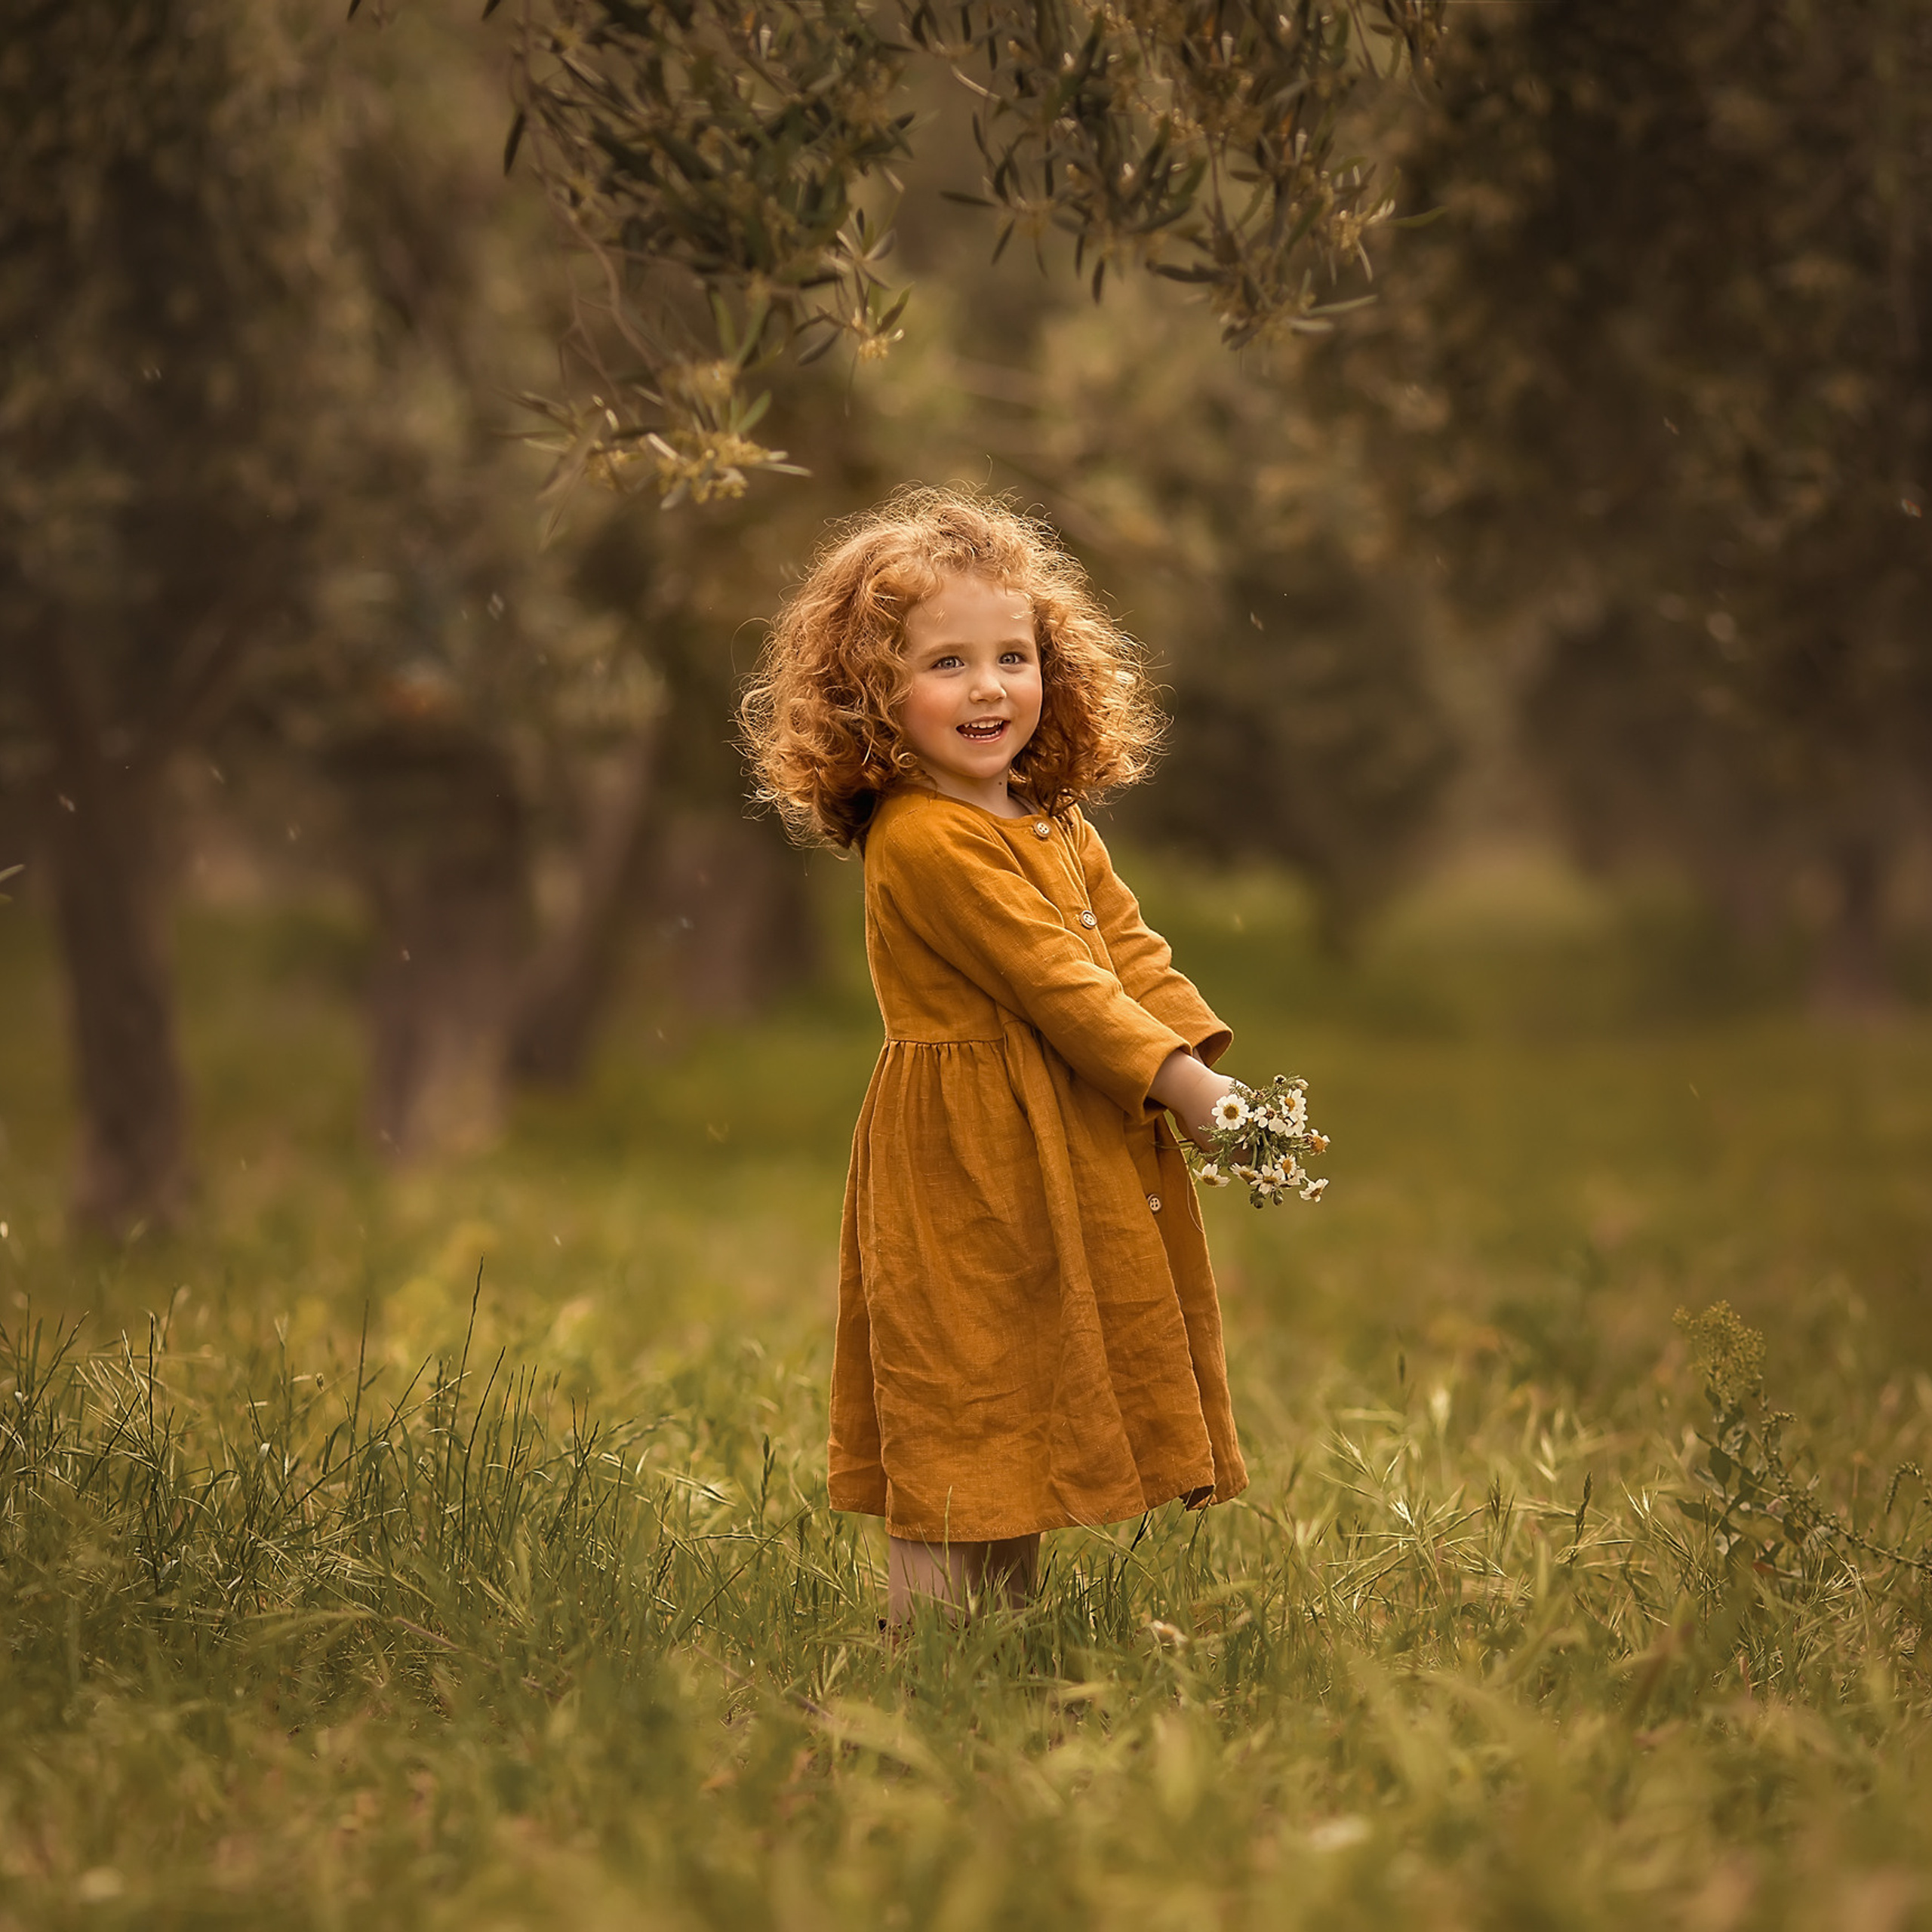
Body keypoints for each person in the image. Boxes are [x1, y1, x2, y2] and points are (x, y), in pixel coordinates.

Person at [740, 486, 1247, 1626]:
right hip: (962, 1155)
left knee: (1021, 1384)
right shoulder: (922, 837)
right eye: (947, 663)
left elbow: (1123, 950)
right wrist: (1182, 1086)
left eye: (1013, 656)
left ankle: (1000, 1650)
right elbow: (1053, 981)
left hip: (1055, 1139)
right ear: (874, 693)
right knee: (958, 1392)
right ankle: (923, 1659)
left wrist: (1208, 1067)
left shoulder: (1051, 817)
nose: (988, 689)